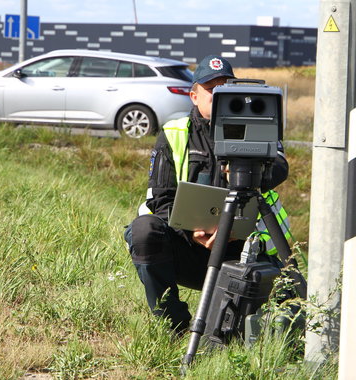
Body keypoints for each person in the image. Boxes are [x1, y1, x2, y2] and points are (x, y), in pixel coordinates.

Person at [124, 54, 290, 332]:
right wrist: (192, 233)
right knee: (144, 230)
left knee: (229, 334)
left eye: (226, 87)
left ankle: (274, 330)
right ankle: (173, 324)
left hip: (244, 248)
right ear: (194, 95)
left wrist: (248, 166)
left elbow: (280, 168)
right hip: (188, 246)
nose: (219, 94)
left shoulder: (258, 127)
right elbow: (160, 199)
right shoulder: (175, 133)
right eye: (212, 89)